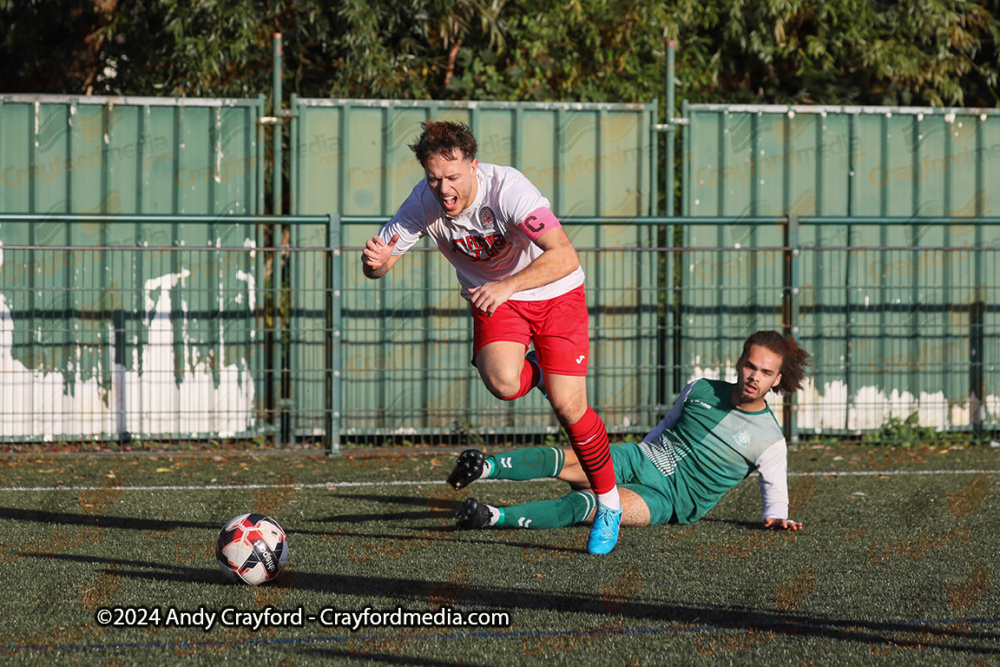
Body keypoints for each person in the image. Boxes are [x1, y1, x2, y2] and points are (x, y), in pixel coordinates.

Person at [360, 121, 622, 554]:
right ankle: (538, 371)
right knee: (503, 383)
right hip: (498, 301)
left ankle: (608, 505)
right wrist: (376, 262)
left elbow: (564, 255)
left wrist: (507, 285)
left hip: (555, 293)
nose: (444, 189)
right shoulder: (421, 203)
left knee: (569, 407)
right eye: (434, 178)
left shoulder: (509, 189)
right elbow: (380, 264)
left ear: (473, 166)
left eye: (453, 177)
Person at [447, 330, 810, 541]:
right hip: (640, 458)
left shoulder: (770, 439)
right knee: (565, 458)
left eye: (765, 372)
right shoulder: (701, 389)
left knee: (592, 506)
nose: (754, 376)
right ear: (739, 362)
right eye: (750, 365)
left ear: (776, 380)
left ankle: (492, 517)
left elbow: (775, 490)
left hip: (667, 499)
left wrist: (777, 514)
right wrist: (634, 455)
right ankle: (483, 468)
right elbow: (665, 428)